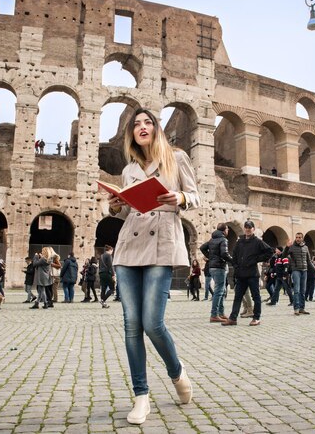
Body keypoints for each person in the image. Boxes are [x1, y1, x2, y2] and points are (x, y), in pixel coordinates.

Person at [108, 108, 199, 425]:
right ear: (131, 134)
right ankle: (141, 396)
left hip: (161, 245)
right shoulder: (129, 170)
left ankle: (177, 372)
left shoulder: (177, 158)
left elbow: (197, 196)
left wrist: (181, 198)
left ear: (157, 129)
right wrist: (116, 205)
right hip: (129, 250)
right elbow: (128, 214)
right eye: (136, 124)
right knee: (132, 325)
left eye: (148, 122)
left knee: (153, 323)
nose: (142, 127)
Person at [221, 220, 272, 326]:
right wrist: (235, 266)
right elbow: (234, 254)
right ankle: (233, 318)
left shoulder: (257, 241)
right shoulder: (240, 241)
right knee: (238, 297)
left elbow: (269, 251)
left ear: (253, 229)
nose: (248, 229)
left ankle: (256, 317)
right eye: (246, 227)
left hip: (252, 274)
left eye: (250, 227)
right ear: (244, 229)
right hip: (241, 274)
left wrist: (257, 259)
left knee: (256, 297)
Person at [200, 222, 232, 322]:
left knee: (221, 290)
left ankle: (221, 313)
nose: (228, 231)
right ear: (224, 230)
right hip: (219, 267)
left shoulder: (212, 239)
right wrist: (232, 260)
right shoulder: (223, 240)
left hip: (212, 266)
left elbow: (202, 248)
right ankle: (214, 315)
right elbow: (224, 253)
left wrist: (210, 257)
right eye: (227, 229)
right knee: (219, 291)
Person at [283, 233, 312, 316]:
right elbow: (283, 256)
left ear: (302, 238)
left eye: (299, 237)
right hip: (296, 270)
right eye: (296, 237)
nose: (298, 239)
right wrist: (287, 247)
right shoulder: (291, 247)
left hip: (304, 270)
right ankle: (296, 309)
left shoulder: (305, 248)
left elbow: (309, 260)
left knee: (303, 290)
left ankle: (302, 308)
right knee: (297, 290)